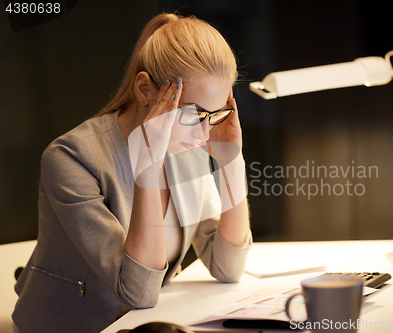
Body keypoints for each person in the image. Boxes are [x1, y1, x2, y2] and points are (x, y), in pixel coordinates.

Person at [12, 12, 251, 333]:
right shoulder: (70, 157)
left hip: (141, 323)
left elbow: (228, 266)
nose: (205, 134)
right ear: (144, 89)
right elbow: (137, 291)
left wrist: (231, 162)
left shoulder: (188, 148)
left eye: (215, 114)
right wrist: (148, 168)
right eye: (193, 114)